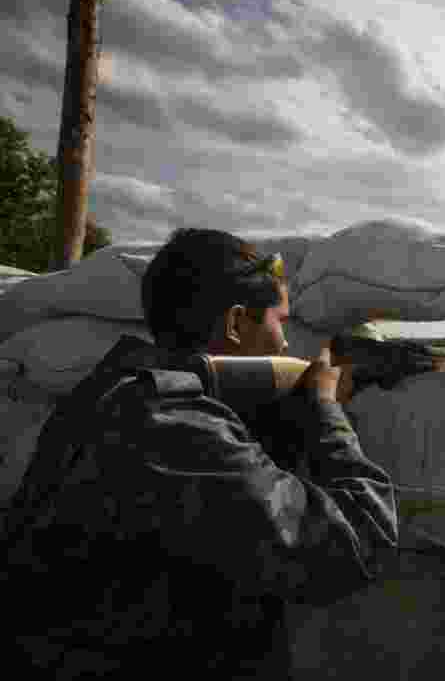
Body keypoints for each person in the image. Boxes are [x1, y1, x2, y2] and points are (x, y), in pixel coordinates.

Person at [1, 228, 398, 679]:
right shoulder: (172, 428)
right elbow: (354, 542)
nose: (286, 344)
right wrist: (325, 411)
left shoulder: (114, 388)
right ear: (233, 324)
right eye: (279, 323)